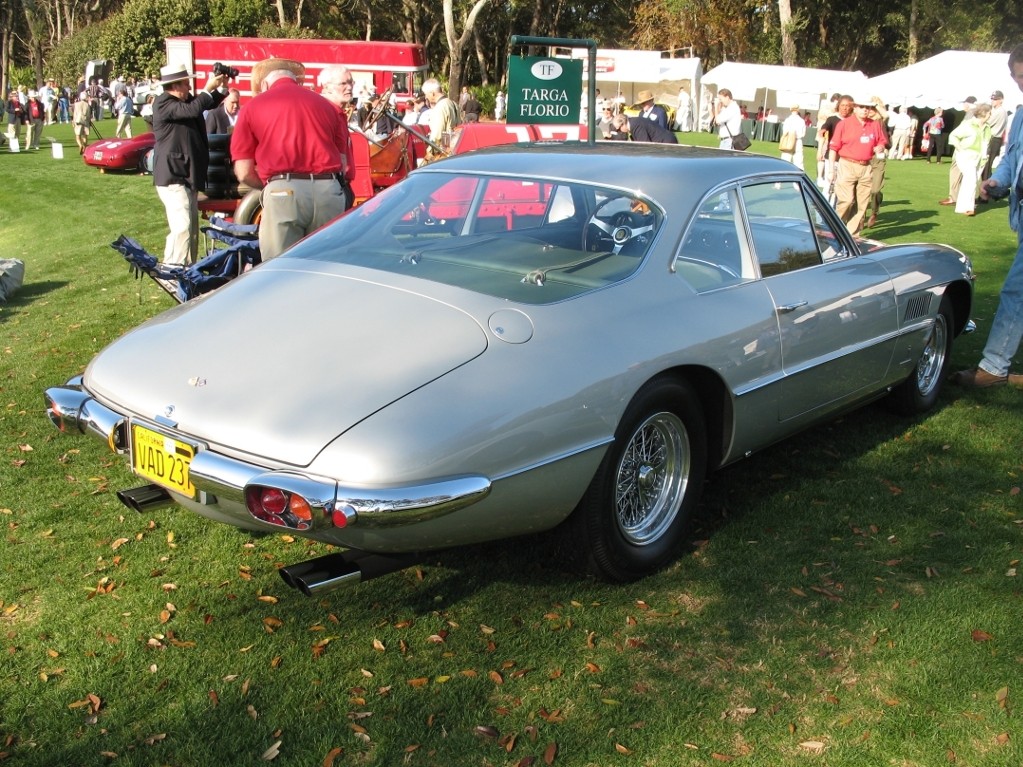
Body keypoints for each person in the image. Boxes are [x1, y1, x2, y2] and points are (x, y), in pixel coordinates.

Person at [951, 44, 1023, 388]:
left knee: (1016, 290)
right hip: (1021, 213)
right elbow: (1012, 158)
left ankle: (994, 368)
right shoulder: (1020, 114)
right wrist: (998, 181)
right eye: (1022, 77)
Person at [232, 58, 350, 261]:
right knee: (328, 267)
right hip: (328, 191)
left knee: (280, 268)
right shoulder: (327, 107)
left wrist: (269, 185)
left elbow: (243, 171)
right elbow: (343, 163)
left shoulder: (253, 107)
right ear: (297, 81)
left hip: (283, 191)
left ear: (265, 85)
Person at [152, 62, 229, 267]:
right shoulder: (164, 103)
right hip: (173, 176)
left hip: (187, 175)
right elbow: (193, 109)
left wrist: (222, 86)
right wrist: (208, 87)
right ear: (176, 86)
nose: (189, 88)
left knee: (191, 229)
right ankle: (174, 269)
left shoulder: (183, 103)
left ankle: (188, 269)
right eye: (186, 84)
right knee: (182, 226)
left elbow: (206, 104)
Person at [828, 94, 888, 235]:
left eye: (868, 107)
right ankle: (834, 230)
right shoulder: (844, 124)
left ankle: (852, 235)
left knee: (862, 205)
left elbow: (882, 141)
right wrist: (831, 170)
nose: (865, 110)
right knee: (846, 201)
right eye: (862, 107)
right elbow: (833, 148)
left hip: (866, 166)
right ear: (855, 108)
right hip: (847, 164)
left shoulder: (874, 125)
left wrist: (880, 147)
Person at [947, 102, 992, 216]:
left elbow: (985, 144)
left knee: (971, 181)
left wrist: (984, 158)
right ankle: (968, 207)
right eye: (989, 113)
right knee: (971, 180)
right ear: (984, 113)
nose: (990, 115)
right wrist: (960, 148)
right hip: (965, 155)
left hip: (979, 158)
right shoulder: (968, 124)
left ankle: (961, 207)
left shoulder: (987, 128)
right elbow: (953, 136)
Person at [421, 78, 461, 160]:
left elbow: (437, 136)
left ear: (432, 93)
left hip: (443, 155)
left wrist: (428, 156)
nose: (426, 97)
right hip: (455, 151)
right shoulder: (453, 104)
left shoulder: (440, 107)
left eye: (426, 94)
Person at [981, 90, 1007, 183]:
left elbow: (987, 122)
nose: (993, 101)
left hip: (994, 139)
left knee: (986, 167)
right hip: (992, 139)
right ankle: (985, 193)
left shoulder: (1000, 111)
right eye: (992, 98)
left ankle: (986, 193)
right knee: (985, 167)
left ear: (1001, 100)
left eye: (995, 99)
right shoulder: (995, 110)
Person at [779, 104, 806, 169]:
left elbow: (784, 131)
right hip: (798, 140)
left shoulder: (787, 120)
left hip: (788, 140)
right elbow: (803, 134)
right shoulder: (801, 121)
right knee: (799, 163)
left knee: (785, 160)